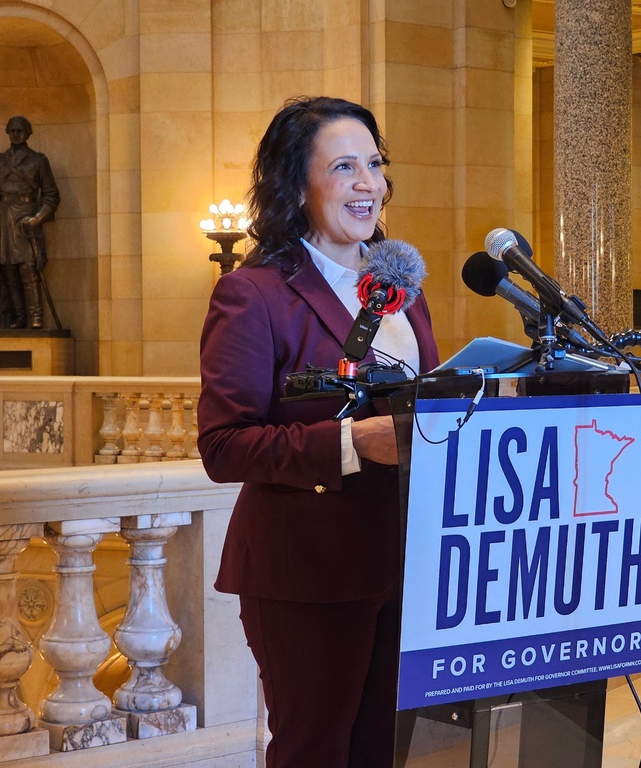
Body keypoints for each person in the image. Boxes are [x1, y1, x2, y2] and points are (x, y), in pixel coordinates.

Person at [197, 96, 439, 768]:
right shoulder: (255, 294)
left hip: (407, 559)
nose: (369, 184)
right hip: (306, 567)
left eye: (375, 164)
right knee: (317, 752)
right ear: (295, 186)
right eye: (344, 167)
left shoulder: (403, 291)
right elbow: (224, 445)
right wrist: (353, 444)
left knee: (387, 751)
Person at [0, 115, 60, 330]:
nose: (15, 134)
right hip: (4, 222)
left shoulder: (38, 160)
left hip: (27, 218)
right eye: (12, 130)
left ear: (28, 133)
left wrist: (37, 218)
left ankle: (36, 316)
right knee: (9, 271)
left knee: (29, 270)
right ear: (7, 132)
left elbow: (51, 195)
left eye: (20, 130)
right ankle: (19, 317)